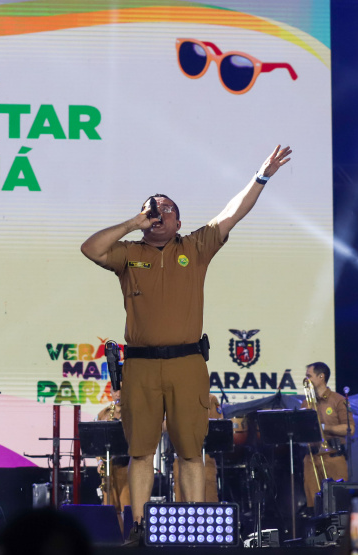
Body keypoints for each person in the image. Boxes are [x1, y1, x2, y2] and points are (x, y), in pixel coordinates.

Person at [80, 145, 292, 531]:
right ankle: (140, 531)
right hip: (141, 365)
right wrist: (133, 222)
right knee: (141, 453)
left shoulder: (195, 247)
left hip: (187, 364)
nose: (157, 214)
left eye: (164, 210)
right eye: (151, 209)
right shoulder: (128, 253)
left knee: (191, 452)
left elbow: (233, 213)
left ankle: (195, 529)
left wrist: (261, 176)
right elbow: (90, 248)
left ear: (179, 221)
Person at [301, 361, 354, 508]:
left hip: (333, 457)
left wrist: (324, 427)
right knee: (313, 504)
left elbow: (349, 429)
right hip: (311, 459)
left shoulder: (338, 400)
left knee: (336, 502)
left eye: (309, 376)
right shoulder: (305, 403)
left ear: (321, 377)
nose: (306, 380)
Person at [95, 387, 131, 530]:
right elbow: (97, 442)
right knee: (109, 507)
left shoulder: (132, 413)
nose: (119, 394)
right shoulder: (103, 414)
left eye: (122, 390)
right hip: (108, 468)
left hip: (126, 467)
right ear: (111, 393)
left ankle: (128, 538)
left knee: (126, 507)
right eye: (116, 391)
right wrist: (99, 461)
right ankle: (111, 539)